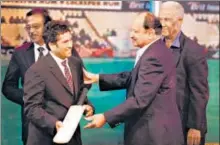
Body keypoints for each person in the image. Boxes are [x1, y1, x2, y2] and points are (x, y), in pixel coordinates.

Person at [83, 12, 183, 145]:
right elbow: (132, 76)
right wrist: (97, 78)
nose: (131, 35)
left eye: (135, 31)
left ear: (150, 33)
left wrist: (105, 117)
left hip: (154, 136)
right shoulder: (155, 50)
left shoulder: (154, 56)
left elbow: (139, 100)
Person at [23, 20, 94, 145]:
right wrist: (54, 123)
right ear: (51, 45)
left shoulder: (76, 63)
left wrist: (88, 107)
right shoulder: (37, 70)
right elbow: (31, 108)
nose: (70, 45)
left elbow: (79, 93)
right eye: (65, 42)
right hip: (46, 139)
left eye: (71, 40)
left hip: (72, 138)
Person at [158, 1, 209, 145]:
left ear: (179, 20)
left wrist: (195, 126)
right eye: (160, 19)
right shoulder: (154, 48)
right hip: (159, 128)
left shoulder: (194, 51)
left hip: (185, 129)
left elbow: (200, 92)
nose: (162, 23)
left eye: (166, 19)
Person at [1, 8, 52, 145]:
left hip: (63, 125)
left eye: (36, 27)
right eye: (28, 27)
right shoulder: (20, 53)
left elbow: (82, 80)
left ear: (47, 27)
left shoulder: (64, 48)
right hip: (31, 127)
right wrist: (27, 98)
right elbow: (8, 87)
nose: (31, 31)